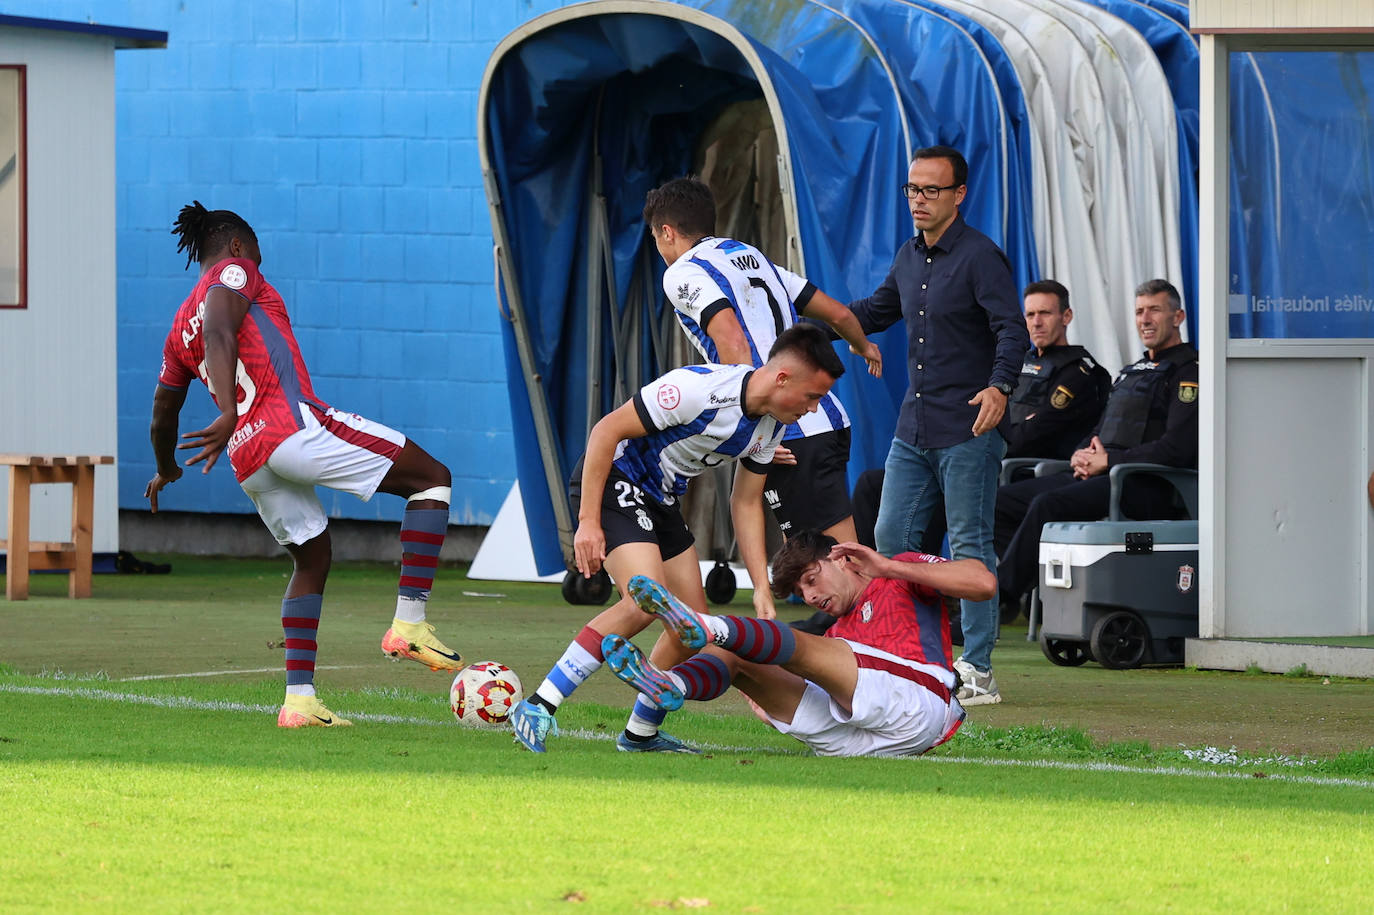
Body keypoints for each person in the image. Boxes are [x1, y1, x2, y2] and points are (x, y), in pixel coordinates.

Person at [145, 202, 463, 728]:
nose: (258, 266)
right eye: (257, 256)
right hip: (289, 427)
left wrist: (166, 467)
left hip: (247, 459)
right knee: (432, 479)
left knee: (311, 558)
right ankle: (409, 624)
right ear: (238, 247)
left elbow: (162, 411)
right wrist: (227, 407)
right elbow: (222, 329)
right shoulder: (235, 269)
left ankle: (299, 701)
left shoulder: (178, 327)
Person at [510, 323, 845, 753]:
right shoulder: (696, 390)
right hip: (618, 480)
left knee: (692, 626)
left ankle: (639, 734)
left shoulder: (771, 429)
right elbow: (605, 432)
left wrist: (761, 588)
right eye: (812, 397)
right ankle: (539, 705)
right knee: (643, 602)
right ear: (783, 378)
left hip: (662, 501)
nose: (813, 410)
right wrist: (588, 521)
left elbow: (744, 502)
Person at [847, 146, 1029, 706]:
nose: (918, 200)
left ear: (959, 195)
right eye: (912, 190)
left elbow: (1012, 330)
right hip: (915, 425)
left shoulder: (980, 256)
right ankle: (906, 652)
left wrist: (1000, 387)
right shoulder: (907, 255)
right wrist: (803, 318)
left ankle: (977, 669)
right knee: (889, 540)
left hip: (969, 426)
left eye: (931, 190)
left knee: (971, 548)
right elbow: (874, 312)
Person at [600, 530, 995, 757]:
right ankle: (653, 715)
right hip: (849, 743)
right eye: (800, 592)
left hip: (918, 710)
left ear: (842, 558)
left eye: (811, 579)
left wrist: (889, 565)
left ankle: (704, 624)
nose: (809, 597)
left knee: (797, 647)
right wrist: (767, 697)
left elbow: (983, 583)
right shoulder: (838, 635)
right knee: (732, 653)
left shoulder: (897, 573)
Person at [644, 176, 882, 543]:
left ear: (667, 232)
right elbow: (839, 314)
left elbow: (733, 341)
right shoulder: (752, 258)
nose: (658, 248)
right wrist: (863, 346)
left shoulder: (681, 273)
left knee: (834, 566)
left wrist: (755, 429)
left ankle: (886, 601)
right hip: (822, 418)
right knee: (810, 567)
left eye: (656, 239)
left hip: (786, 425)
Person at [994, 279, 1199, 605]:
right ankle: (1036, 591)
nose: (1145, 319)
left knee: (1047, 505)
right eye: (1139, 312)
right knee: (999, 504)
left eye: (1154, 310)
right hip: (1105, 476)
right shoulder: (1132, 371)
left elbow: (1177, 448)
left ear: (1178, 317)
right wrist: (1083, 454)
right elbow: (1102, 431)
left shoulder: (1189, 372)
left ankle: (998, 599)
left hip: (1147, 484)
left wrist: (1110, 462)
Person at [1005, 280, 1112, 461]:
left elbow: (1035, 433)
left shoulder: (1077, 372)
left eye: (1045, 313)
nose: (1036, 322)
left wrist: (990, 445)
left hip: (1042, 471)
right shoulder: (1017, 363)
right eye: (1030, 315)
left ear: (1066, 316)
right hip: (1003, 462)